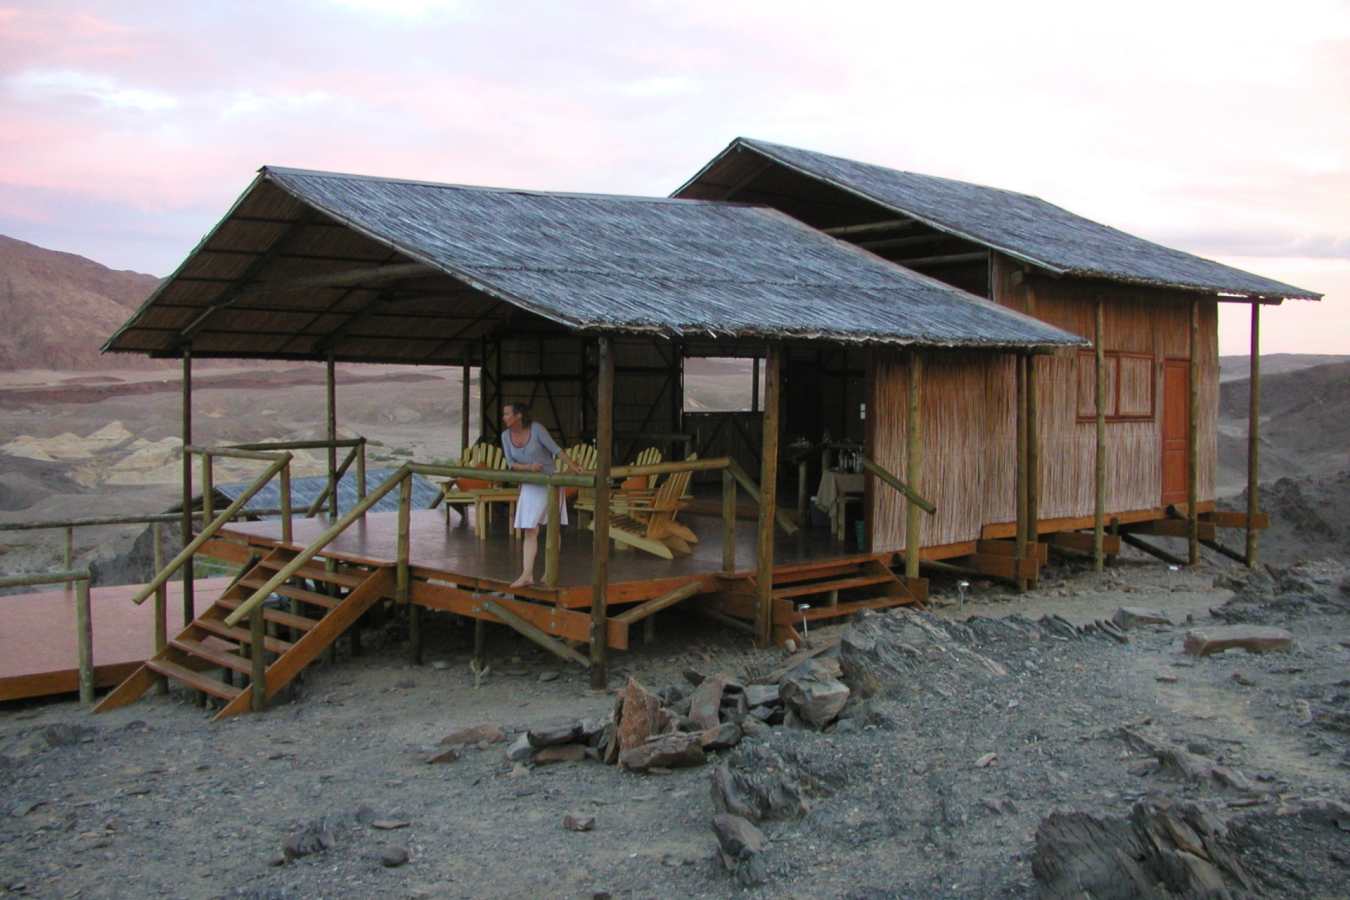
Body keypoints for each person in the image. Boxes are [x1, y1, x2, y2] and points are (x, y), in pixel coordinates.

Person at [499, 402, 580, 588]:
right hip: (529, 484)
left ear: (518, 416)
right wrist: (529, 467)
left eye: (507, 414)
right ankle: (527, 574)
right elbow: (510, 463)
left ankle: (549, 570)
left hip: (549, 484)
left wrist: (572, 466)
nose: (504, 417)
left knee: (552, 528)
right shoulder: (505, 436)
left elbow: (556, 450)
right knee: (529, 529)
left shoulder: (536, 429)